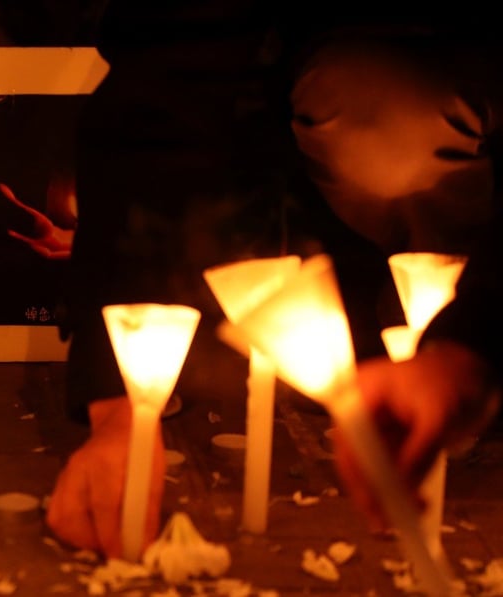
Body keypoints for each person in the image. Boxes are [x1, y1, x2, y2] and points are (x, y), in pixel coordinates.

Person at [48, 1, 503, 559]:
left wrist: (473, 341)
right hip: (334, 85)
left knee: (391, 125)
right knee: (369, 112)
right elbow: (170, 76)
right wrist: (118, 407)